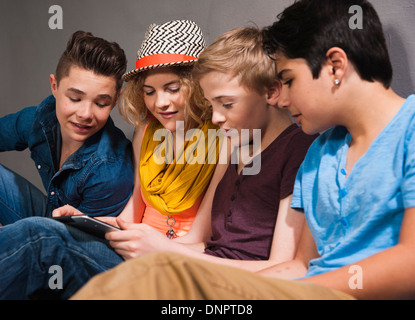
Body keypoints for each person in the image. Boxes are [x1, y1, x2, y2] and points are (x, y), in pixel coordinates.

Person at [72, 0, 415, 300]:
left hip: (311, 291)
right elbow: (298, 264)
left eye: (289, 80)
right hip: (292, 286)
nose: (281, 96)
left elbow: (408, 263)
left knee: (155, 274)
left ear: (335, 67)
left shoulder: (406, 130)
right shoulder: (321, 154)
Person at [0, 20, 220, 300]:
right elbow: (129, 216)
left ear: (195, 84)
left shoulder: (220, 139)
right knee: (42, 232)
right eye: (149, 91)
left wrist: (154, 246)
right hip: (126, 246)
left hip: (162, 262)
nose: (160, 102)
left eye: (172, 88)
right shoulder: (147, 132)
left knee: (39, 235)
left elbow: (201, 240)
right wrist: (85, 220)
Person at [89, 26, 317, 270]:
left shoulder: (295, 150)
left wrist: (166, 251)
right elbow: (210, 246)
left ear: (271, 92)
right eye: (211, 105)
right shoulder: (238, 145)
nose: (216, 118)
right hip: (199, 268)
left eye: (226, 104)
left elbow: (285, 268)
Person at [0, 31, 133, 225]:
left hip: (80, 245)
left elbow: (77, 247)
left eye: (101, 103)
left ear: (114, 101)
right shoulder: (43, 118)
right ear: (54, 86)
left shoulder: (110, 169)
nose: (85, 114)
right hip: (50, 222)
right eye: (75, 99)